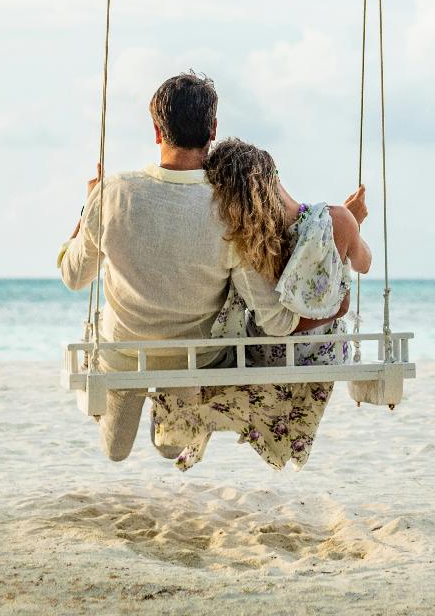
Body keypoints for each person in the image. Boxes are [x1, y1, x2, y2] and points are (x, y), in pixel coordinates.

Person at [58, 73, 349, 461]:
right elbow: (275, 321)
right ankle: (169, 416)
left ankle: (138, 405)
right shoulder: (232, 208)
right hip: (194, 360)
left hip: (122, 352)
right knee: (171, 448)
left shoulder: (113, 194)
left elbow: (73, 276)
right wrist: (334, 307)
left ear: (157, 131)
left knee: (114, 451)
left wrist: (88, 205)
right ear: (213, 130)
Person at [151, 137, 372, 470]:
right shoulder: (336, 219)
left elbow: (268, 319)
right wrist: (353, 227)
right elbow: (364, 264)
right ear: (274, 176)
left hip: (264, 350)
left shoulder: (248, 243)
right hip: (320, 354)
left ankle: (200, 416)